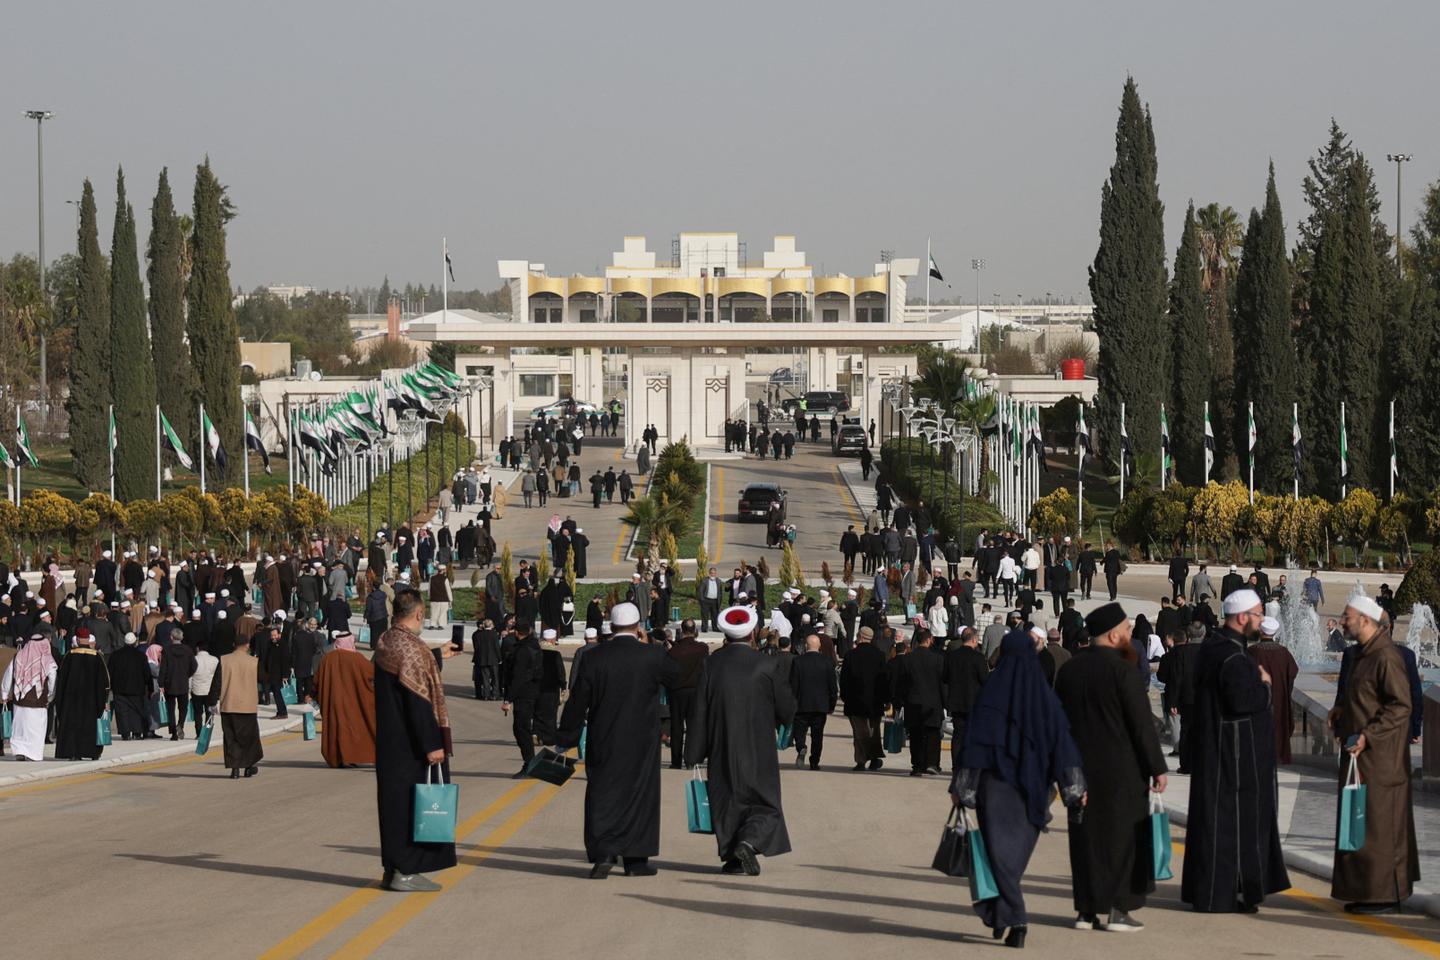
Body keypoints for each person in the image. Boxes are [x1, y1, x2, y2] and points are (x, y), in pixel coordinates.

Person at [953, 632, 1086, 948]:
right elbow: (1063, 747)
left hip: (995, 790)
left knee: (999, 858)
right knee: (1009, 860)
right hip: (1034, 792)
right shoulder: (1046, 700)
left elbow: (974, 745)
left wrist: (962, 787)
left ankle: (1017, 918)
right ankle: (1003, 914)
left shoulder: (991, 695)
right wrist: (1073, 788)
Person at [1054, 602, 1168, 932]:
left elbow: (1058, 723)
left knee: (1085, 839)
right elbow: (1141, 725)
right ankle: (1119, 910)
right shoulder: (1123, 672)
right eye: (1128, 630)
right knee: (1123, 840)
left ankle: (1086, 911)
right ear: (1114, 634)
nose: (1131, 635)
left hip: (1079, 771)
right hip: (1122, 771)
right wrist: (1157, 767)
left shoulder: (1070, 671)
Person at [1180, 589, 1289, 914]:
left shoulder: (1215, 649)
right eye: (1257, 615)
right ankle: (1229, 892)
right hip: (1235, 760)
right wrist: (1266, 686)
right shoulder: (1234, 657)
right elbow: (1243, 702)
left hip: (1218, 753)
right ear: (1243, 618)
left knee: (1217, 825)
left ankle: (1216, 891)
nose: (1260, 622)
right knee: (1235, 828)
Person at [557, 602, 679, 878]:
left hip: (604, 736)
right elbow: (678, 677)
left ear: (610, 627)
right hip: (642, 740)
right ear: (639, 627)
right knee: (640, 795)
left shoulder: (594, 657)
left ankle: (605, 852)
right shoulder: (652, 655)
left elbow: (578, 701)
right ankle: (636, 861)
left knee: (603, 793)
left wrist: (566, 736)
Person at [685, 605, 797, 875]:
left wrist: (693, 752)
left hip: (721, 744)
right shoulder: (767, 664)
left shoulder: (711, 664)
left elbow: (698, 710)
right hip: (759, 745)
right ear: (754, 632)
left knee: (727, 800)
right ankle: (749, 841)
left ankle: (733, 858)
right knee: (764, 801)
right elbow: (787, 707)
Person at [1329, 595, 1419, 914]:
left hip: (1382, 761)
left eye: (1347, 616)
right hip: (1362, 758)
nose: (1342, 621)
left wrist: (1369, 735)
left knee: (1381, 829)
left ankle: (1384, 895)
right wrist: (1341, 710)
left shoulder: (1386, 657)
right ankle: (1366, 893)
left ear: (1365, 621)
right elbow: (1365, 697)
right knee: (1362, 827)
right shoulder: (1362, 655)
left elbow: (1401, 705)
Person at [372, 587, 457, 891]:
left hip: (391, 743)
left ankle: (393, 868)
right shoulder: (411, 649)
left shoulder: (388, 640)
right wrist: (432, 744)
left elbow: (404, 674)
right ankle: (405, 871)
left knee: (394, 806)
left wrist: (436, 655)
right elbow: (417, 701)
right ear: (420, 614)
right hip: (411, 746)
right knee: (415, 807)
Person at [315, 630, 377, 768]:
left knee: (336, 729)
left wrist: (313, 695)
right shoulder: (357, 659)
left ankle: (337, 758)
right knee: (352, 730)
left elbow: (317, 681)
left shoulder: (327, 659)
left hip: (333, 702)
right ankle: (351, 756)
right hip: (352, 703)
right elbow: (373, 674)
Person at [52, 628, 111, 761]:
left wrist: (60, 701)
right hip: (91, 701)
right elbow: (104, 682)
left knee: (73, 726)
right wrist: (104, 701)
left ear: (77, 639)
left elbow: (61, 681)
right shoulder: (97, 657)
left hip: (71, 701)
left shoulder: (68, 656)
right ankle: (92, 752)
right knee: (90, 726)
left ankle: (73, 752)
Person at [1248, 616, 1300, 764]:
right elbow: (1293, 671)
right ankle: (1278, 753)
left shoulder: (1253, 651)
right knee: (1278, 723)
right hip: (1279, 696)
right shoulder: (1283, 652)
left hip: (1258, 697)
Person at [894, 628, 945, 776]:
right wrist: (945, 702)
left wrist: (899, 702)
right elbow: (943, 683)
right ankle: (932, 763)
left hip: (913, 701)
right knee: (933, 734)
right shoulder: (938, 659)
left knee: (915, 735)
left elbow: (902, 683)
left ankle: (917, 765)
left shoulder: (908, 659)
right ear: (929, 640)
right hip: (933, 702)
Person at [217, 624, 264, 779]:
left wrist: (211, 702)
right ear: (247, 645)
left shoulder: (224, 660)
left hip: (229, 705)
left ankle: (234, 769)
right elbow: (264, 678)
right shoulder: (253, 662)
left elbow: (216, 683)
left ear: (233, 645)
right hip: (248, 706)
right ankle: (249, 767)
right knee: (249, 738)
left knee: (231, 738)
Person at [2, 634, 58, 761]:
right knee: (36, 729)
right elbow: (52, 680)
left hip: (20, 700)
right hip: (38, 701)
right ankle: (33, 753)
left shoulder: (18, 656)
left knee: (20, 727)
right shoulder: (48, 660)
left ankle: (20, 751)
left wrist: (5, 693)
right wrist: (50, 696)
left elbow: (8, 675)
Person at [840, 625, 888, 771]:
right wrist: (886, 699)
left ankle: (861, 760)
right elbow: (883, 679)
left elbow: (844, 679)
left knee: (859, 732)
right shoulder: (880, 655)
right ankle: (874, 758)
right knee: (873, 732)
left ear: (860, 637)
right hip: (875, 700)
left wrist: (844, 696)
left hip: (855, 700)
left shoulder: (850, 655)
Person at [941, 626, 989, 771]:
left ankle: (957, 765)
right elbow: (985, 680)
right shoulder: (979, 658)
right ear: (974, 639)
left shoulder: (951, 656)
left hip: (956, 701)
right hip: (975, 702)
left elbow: (945, 677)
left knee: (958, 735)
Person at [789, 633, 838, 771]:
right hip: (820, 705)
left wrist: (792, 702)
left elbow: (793, 685)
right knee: (817, 736)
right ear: (820, 646)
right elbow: (832, 687)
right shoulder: (827, 662)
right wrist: (832, 704)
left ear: (806, 645)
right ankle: (814, 761)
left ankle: (801, 747)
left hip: (802, 704)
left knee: (799, 732)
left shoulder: (798, 661)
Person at [665, 620, 708, 769]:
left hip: (677, 691)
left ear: (682, 630)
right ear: (694, 630)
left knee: (676, 727)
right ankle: (691, 759)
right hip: (695, 690)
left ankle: (676, 761)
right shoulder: (702, 648)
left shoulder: (674, 652)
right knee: (693, 726)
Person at [501, 622, 543, 776]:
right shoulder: (534, 646)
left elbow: (518, 677)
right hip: (532, 692)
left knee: (521, 729)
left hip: (523, 694)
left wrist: (508, 700)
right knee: (521, 728)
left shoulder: (522, 650)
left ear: (518, 633)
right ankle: (530, 762)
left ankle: (530, 764)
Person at [158, 626, 197, 740]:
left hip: (170, 682)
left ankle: (173, 732)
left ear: (171, 637)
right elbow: (194, 666)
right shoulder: (188, 650)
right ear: (181, 637)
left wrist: (161, 683)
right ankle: (180, 724)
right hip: (183, 682)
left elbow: (163, 668)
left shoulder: (166, 650)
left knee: (170, 709)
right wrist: (187, 674)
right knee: (183, 708)